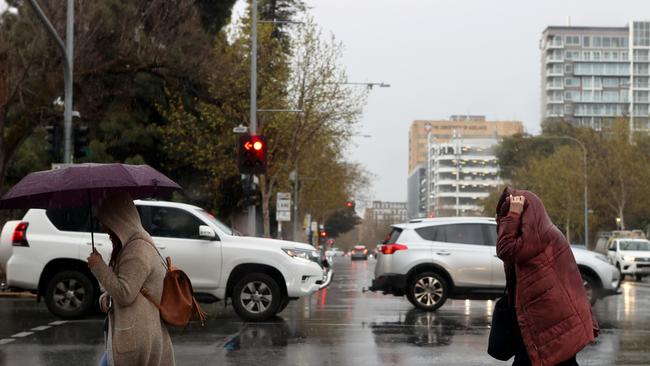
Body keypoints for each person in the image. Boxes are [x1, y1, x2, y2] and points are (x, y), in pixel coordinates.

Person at [495, 187, 598, 366]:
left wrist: (512, 215)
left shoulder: (538, 235)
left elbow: (506, 250)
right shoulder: (542, 233)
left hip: (550, 318)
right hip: (551, 317)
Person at [87, 192, 175, 366]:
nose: (105, 229)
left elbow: (125, 294)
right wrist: (107, 297)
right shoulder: (135, 244)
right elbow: (133, 287)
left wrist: (99, 266)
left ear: (119, 220)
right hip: (140, 333)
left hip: (137, 337)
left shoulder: (137, 249)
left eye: (108, 222)